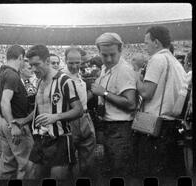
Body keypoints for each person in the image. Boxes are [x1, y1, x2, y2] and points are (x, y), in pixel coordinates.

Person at [136, 26, 188, 178]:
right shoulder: (176, 62)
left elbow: (146, 92)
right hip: (173, 124)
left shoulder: (157, 58)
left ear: (156, 42)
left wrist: (136, 79)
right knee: (170, 174)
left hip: (156, 125)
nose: (145, 47)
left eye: (146, 43)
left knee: (152, 173)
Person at [26, 44, 83, 179]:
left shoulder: (64, 81)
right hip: (41, 138)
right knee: (32, 176)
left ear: (47, 61)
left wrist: (56, 117)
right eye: (31, 65)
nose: (33, 69)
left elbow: (78, 110)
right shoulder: (39, 82)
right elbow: (38, 110)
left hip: (60, 139)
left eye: (36, 64)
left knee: (57, 178)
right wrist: (23, 121)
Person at [90, 32, 137, 177]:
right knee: (110, 170)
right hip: (109, 126)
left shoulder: (124, 70)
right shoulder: (106, 68)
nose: (109, 59)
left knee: (119, 172)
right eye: (105, 55)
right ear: (99, 52)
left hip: (121, 128)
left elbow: (130, 103)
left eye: (113, 54)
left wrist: (103, 93)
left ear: (121, 50)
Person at [0, 45, 34, 179]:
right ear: (20, 57)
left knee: (8, 165)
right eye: (24, 60)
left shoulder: (5, 73)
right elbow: (5, 101)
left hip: (5, 121)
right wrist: (13, 125)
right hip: (16, 122)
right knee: (28, 164)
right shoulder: (12, 75)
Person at [63, 47, 96, 178]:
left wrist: (92, 92)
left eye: (77, 62)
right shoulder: (61, 78)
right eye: (71, 63)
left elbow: (82, 100)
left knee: (88, 158)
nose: (75, 66)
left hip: (85, 118)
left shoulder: (80, 76)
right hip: (69, 120)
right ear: (65, 61)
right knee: (67, 159)